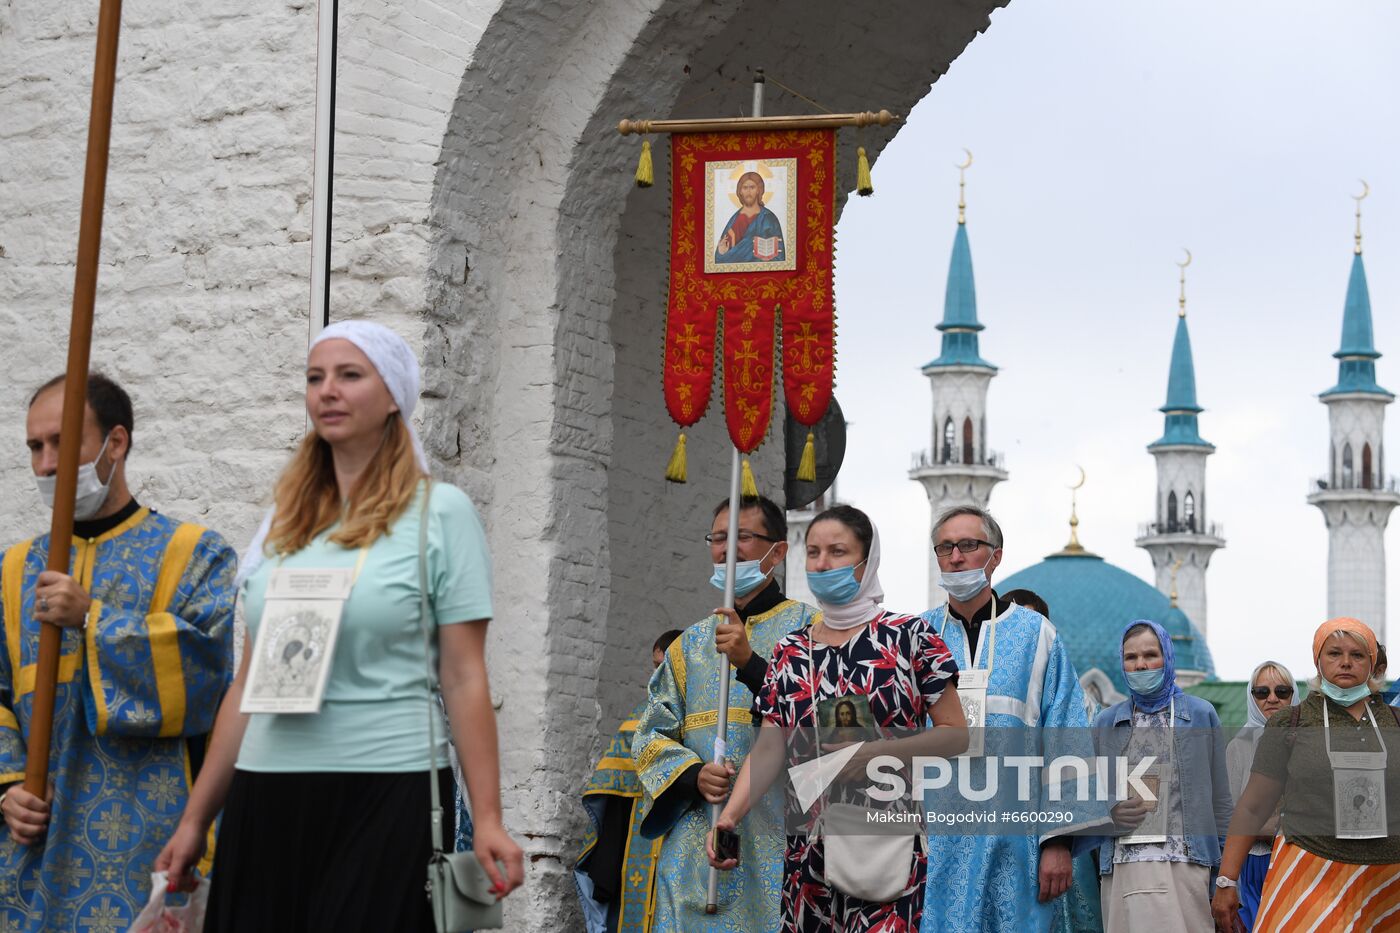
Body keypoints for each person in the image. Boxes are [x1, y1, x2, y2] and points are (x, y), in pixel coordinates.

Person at [156, 321, 524, 929]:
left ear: (393, 398)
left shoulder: (439, 513)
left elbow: (463, 676)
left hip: (388, 785)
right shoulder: (283, 526)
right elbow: (248, 684)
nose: (328, 390)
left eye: (350, 375)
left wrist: (487, 816)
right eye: (315, 378)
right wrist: (196, 821)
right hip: (267, 789)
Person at [0, 372, 237, 933]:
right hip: (32, 851)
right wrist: (10, 785)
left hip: (149, 840)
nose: (46, 464)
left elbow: (206, 682)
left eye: (62, 442)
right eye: (35, 446)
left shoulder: (195, 554)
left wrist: (93, 620)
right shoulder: (12, 571)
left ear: (117, 443)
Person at [708, 504, 967, 931]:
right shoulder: (790, 652)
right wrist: (730, 816)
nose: (822, 564)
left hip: (885, 845)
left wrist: (879, 753)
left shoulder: (908, 637)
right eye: (813, 553)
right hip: (807, 852)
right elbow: (771, 746)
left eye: (837, 552)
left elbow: (957, 735)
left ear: (867, 562)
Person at [632, 494, 817, 933]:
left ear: (778, 551)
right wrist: (692, 773)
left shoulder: (814, 630)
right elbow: (649, 734)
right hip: (695, 850)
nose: (726, 548)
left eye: (742, 537)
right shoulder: (689, 645)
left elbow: (829, 726)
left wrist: (753, 665)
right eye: (718, 537)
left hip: (780, 842)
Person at [918, 505, 1097, 933]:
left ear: (995, 556)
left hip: (1017, 841)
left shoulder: (1037, 635)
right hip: (933, 842)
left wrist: (1058, 841)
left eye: (968, 545)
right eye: (945, 547)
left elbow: (1066, 736)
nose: (956, 557)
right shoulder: (917, 636)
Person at [1212, 618, 1400, 932]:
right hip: (1309, 875)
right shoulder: (1290, 724)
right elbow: (1252, 807)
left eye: (1357, 655)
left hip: (1384, 880)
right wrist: (1226, 879)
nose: (1345, 662)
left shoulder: (1395, 723)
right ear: (1317, 661)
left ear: (1372, 663)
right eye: (1334, 653)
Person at [1089, 621, 1232, 931]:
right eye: (1131, 657)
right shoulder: (1107, 722)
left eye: (1150, 655)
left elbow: (1220, 801)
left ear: (1168, 657)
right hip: (1123, 865)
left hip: (1186, 865)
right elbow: (1089, 800)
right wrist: (1108, 812)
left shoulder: (1200, 715)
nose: (1140, 665)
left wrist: (1225, 877)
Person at [575, 629, 683, 933]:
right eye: (655, 666)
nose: (659, 674)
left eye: (668, 665)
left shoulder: (707, 719)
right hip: (638, 840)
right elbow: (612, 792)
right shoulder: (641, 717)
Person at [1222, 661, 1298, 930]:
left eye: (1282, 691)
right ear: (1251, 697)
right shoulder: (1239, 746)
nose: (1273, 699)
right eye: (1262, 692)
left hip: (1297, 860)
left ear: (1294, 695)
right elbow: (1231, 815)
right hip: (1253, 863)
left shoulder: (1309, 744)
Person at [714, 171, 786, 264]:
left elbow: (780, 258)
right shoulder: (734, 220)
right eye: (745, 188)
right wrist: (721, 253)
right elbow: (719, 259)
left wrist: (766, 259)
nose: (748, 191)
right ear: (740, 191)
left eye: (752, 187)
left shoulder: (769, 219)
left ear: (758, 190)